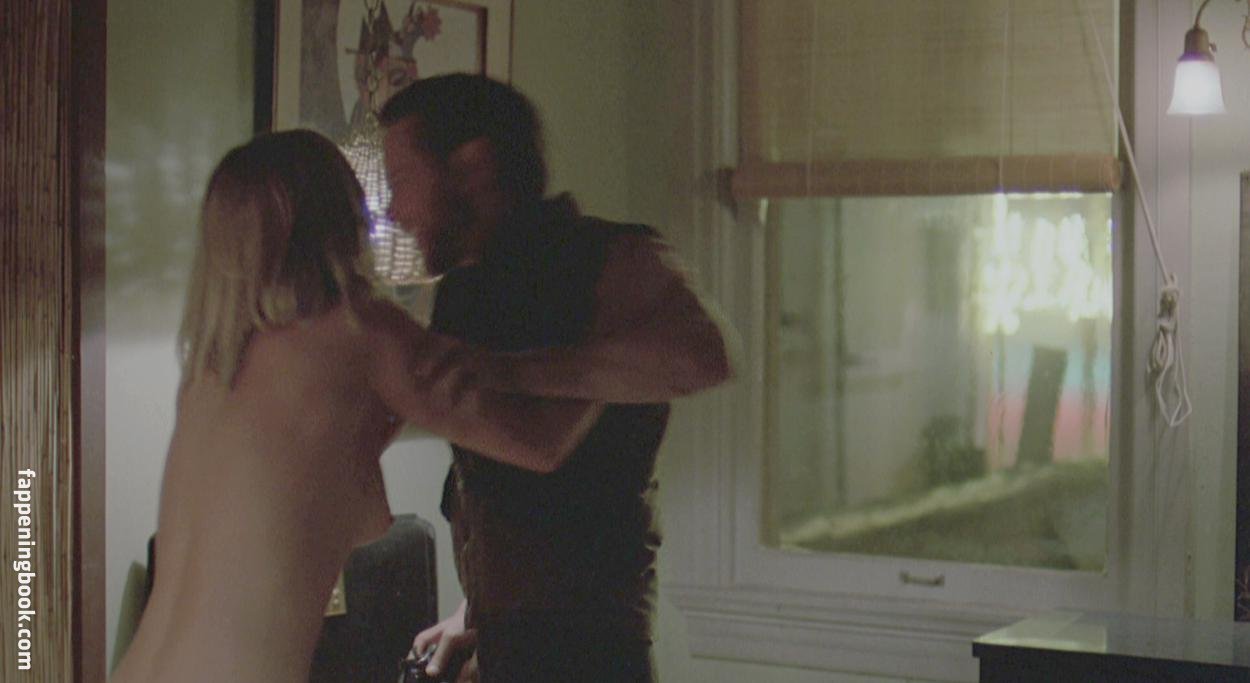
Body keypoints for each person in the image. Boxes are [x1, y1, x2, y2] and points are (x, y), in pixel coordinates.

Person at [110, 130, 602, 683]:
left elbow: (345, 517)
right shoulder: (361, 331)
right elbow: (541, 443)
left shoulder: (210, 371)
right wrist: (620, 343)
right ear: (342, 216)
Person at [380, 74, 733, 682]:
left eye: (401, 180)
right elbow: (511, 498)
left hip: (589, 654)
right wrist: (475, 613)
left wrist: (506, 371)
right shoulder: (466, 291)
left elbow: (707, 357)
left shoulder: (616, 258)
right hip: (508, 642)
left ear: (474, 167)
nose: (393, 210)